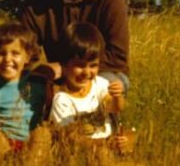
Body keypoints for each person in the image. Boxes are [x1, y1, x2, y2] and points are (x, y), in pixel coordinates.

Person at [0, 21, 53, 166]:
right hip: (2, 145)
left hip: (30, 144)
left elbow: (51, 109)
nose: (7, 59)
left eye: (15, 53)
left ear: (27, 57)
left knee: (43, 133)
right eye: (1, 54)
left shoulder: (39, 83)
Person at [49, 22, 129, 165]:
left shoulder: (100, 84)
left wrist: (118, 96)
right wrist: (104, 143)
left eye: (93, 65)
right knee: (101, 155)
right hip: (80, 153)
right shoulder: (62, 100)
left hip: (107, 146)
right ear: (65, 65)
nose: (87, 72)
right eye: (80, 65)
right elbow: (71, 138)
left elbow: (115, 108)